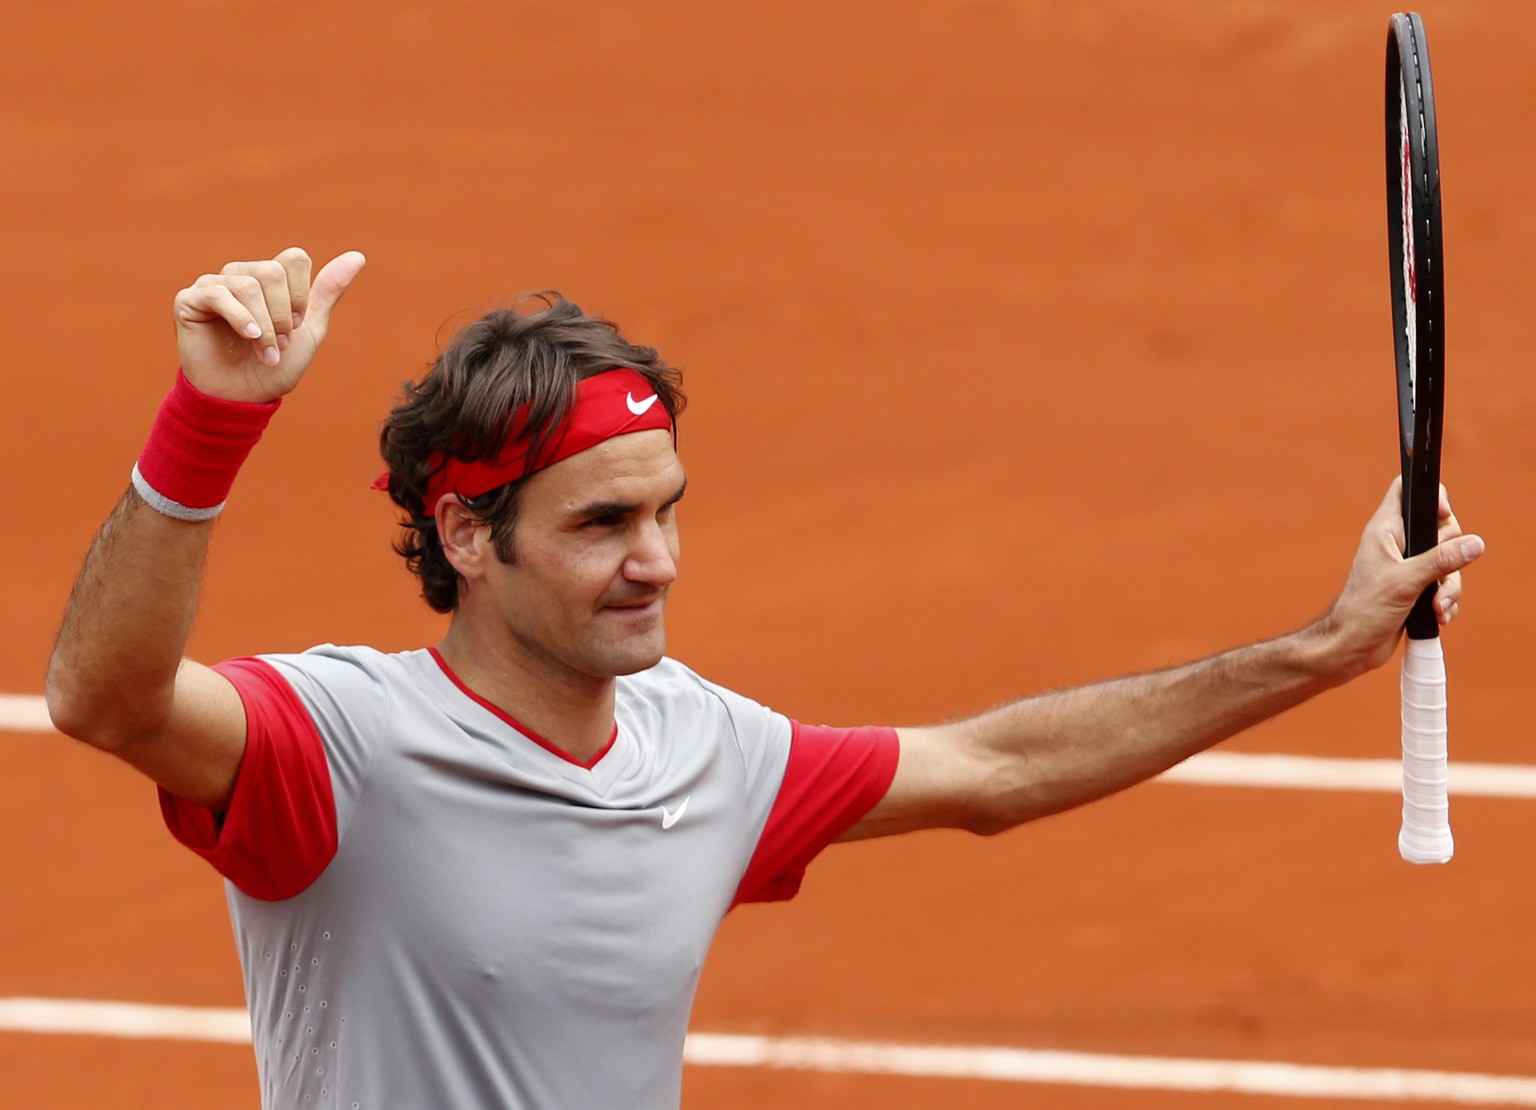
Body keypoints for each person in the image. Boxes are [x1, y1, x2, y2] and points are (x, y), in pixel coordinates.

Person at [47, 248, 1483, 1110]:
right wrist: (207, 426)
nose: (658, 558)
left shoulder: (706, 748)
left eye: (667, 507)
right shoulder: (340, 747)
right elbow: (106, 699)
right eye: (603, 523)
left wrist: (1321, 646)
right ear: (467, 534)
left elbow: (992, 769)